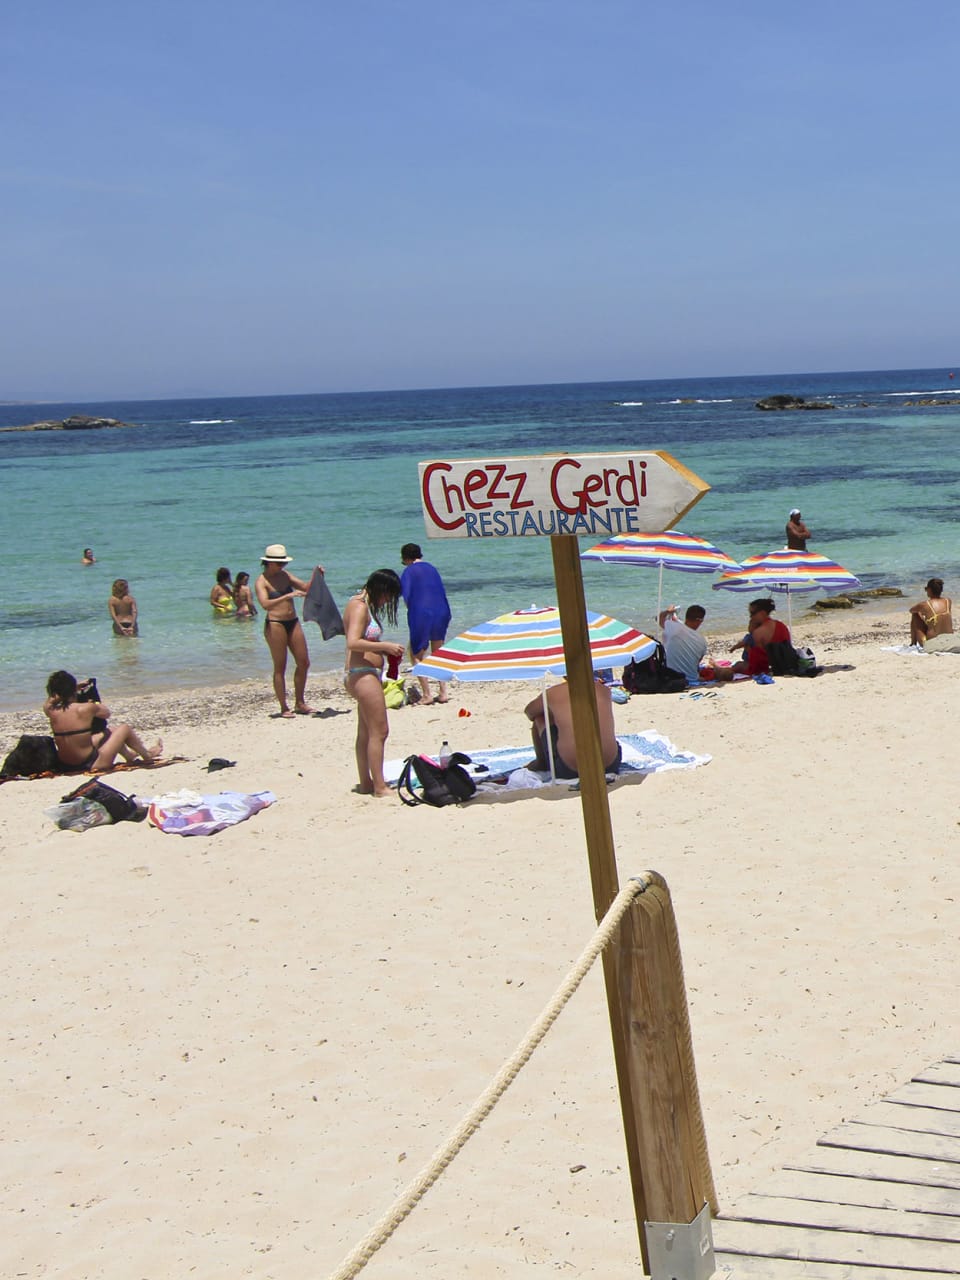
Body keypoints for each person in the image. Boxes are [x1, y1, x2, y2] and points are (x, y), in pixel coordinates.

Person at [343, 569, 405, 797]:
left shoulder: (359, 603)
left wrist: (383, 652)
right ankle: (379, 787)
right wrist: (384, 646)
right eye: (388, 595)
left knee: (366, 732)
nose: (387, 601)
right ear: (381, 589)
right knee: (380, 731)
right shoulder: (360, 607)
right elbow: (353, 642)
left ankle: (366, 783)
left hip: (362, 673)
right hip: (362, 674)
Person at [43, 670, 162, 771]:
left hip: (66, 765)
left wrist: (68, 690)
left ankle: (129, 756)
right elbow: (106, 713)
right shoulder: (85, 708)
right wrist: (93, 702)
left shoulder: (51, 710)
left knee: (110, 731)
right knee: (124, 728)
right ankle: (147, 756)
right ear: (72, 690)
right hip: (91, 764)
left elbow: (50, 700)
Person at [254, 544, 319, 717]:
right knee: (280, 666)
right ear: (269, 563)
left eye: (284, 563)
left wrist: (316, 575)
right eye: (279, 563)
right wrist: (287, 596)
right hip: (275, 623)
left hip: (293, 621)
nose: (282, 566)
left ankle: (300, 702)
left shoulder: (285, 575)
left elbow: (306, 587)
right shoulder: (261, 581)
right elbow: (265, 604)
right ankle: (284, 707)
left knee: (304, 662)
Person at [524, 678, 622, 779]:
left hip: (569, 770)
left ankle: (541, 763)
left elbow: (530, 713)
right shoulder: (603, 690)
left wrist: (552, 710)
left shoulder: (552, 693)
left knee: (540, 718)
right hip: (610, 765)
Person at [400, 543, 452, 705]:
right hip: (442, 610)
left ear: (405, 558)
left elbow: (407, 597)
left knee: (416, 654)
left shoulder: (408, 571)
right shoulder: (432, 568)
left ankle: (427, 695)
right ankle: (443, 692)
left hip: (421, 613)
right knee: (438, 652)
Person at [658, 604, 707, 683]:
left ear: (686, 616)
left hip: (671, 677)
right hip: (691, 678)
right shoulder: (702, 641)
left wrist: (668, 611)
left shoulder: (673, 628)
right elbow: (697, 663)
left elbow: (660, 618)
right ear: (700, 621)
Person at [909, 577, 955, 648]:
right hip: (949, 640)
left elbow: (911, 610)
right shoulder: (948, 601)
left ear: (929, 590)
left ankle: (913, 643)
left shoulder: (924, 604)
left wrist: (921, 614)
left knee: (915, 614)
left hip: (932, 644)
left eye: (926, 589)